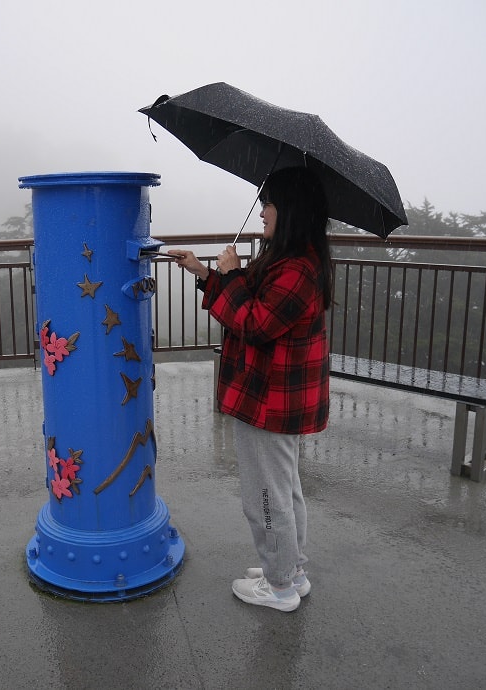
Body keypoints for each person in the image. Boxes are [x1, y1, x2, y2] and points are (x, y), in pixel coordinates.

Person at [168, 166, 331, 612]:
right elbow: (252, 305)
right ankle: (290, 570)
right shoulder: (291, 258)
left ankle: (279, 587)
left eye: (270, 205)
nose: (262, 212)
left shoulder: (298, 268)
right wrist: (205, 272)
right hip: (276, 395)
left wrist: (234, 273)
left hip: (270, 400)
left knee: (265, 495)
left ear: (289, 210)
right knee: (285, 488)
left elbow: (256, 324)